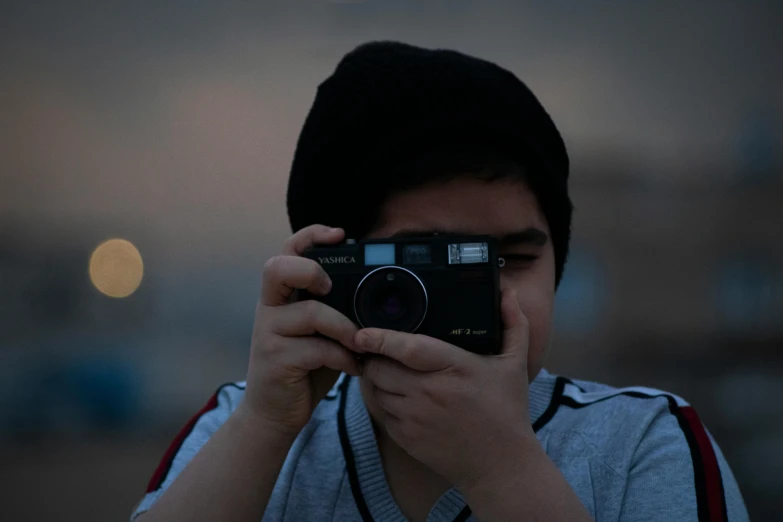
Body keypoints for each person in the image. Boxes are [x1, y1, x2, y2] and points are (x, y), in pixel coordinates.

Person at [131, 41, 749, 521]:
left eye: (511, 258)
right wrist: (265, 427)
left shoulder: (644, 442)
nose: (484, 292)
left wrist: (504, 473)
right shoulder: (243, 428)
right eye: (430, 262)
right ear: (330, 270)